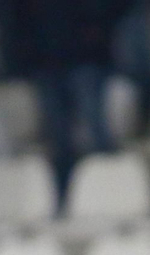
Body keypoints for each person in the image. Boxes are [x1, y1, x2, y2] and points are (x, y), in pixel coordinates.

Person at [10, 0, 128, 195]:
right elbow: (21, 14)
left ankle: (114, 189)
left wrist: (96, 31)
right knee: (58, 137)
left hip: (85, 57)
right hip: (46, 59)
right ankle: (68, 193)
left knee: (96, 132)